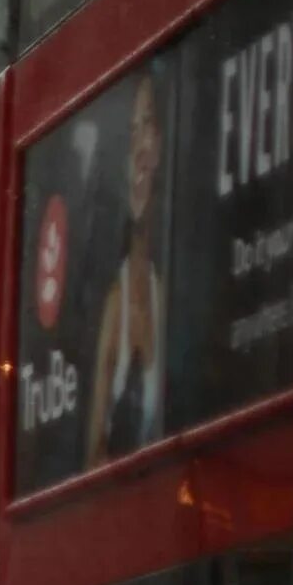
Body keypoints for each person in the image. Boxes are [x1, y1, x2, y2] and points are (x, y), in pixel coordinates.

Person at [87, 67, 167, 468]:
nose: (139, 150)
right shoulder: (114, 304)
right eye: (131, 133)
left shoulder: (162, 292)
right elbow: (90, 463)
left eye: (147, 125)